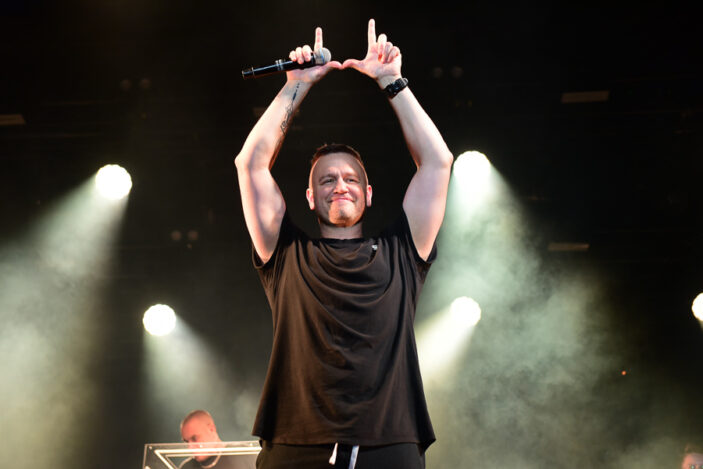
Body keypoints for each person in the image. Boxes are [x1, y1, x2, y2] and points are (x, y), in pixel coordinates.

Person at [234, 19, 453, 469]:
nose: (340, 186)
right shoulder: (287, 255)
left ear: (368, 194)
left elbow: (438, 161)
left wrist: (391, 82)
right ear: (310, 196)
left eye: (351, 179)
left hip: (389, 444)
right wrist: (296, 85)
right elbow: (250, 163)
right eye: (327, 180)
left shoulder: (401, 251)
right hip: (296, 444)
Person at [179, 410, 257, 469]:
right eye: (187, 442)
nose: (190, 447)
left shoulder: (243, 454)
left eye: (194, 439)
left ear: (211, 429)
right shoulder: (187, 467)